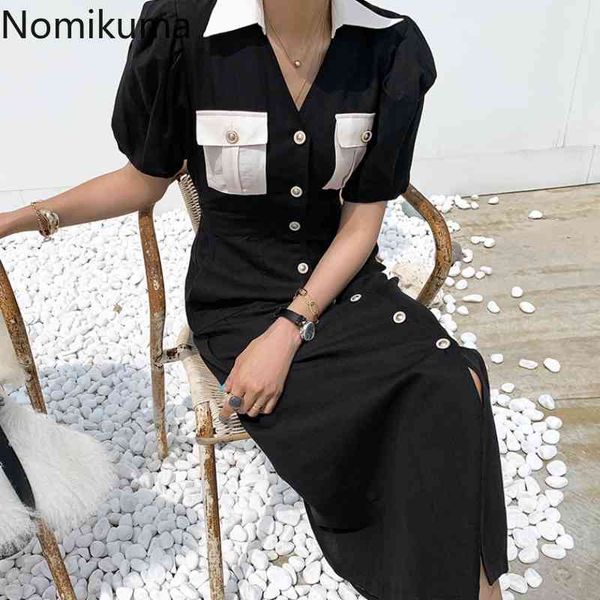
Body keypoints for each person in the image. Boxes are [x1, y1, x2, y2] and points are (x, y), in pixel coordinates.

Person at [0, 0, 508, 597]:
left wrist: (289, 329)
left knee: (454, 380)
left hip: (340, 284)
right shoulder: (182, 30)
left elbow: (362, 223)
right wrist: (18, 219)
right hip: (237, 301)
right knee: (392, 417)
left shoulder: (391, 46)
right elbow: (143, 181)